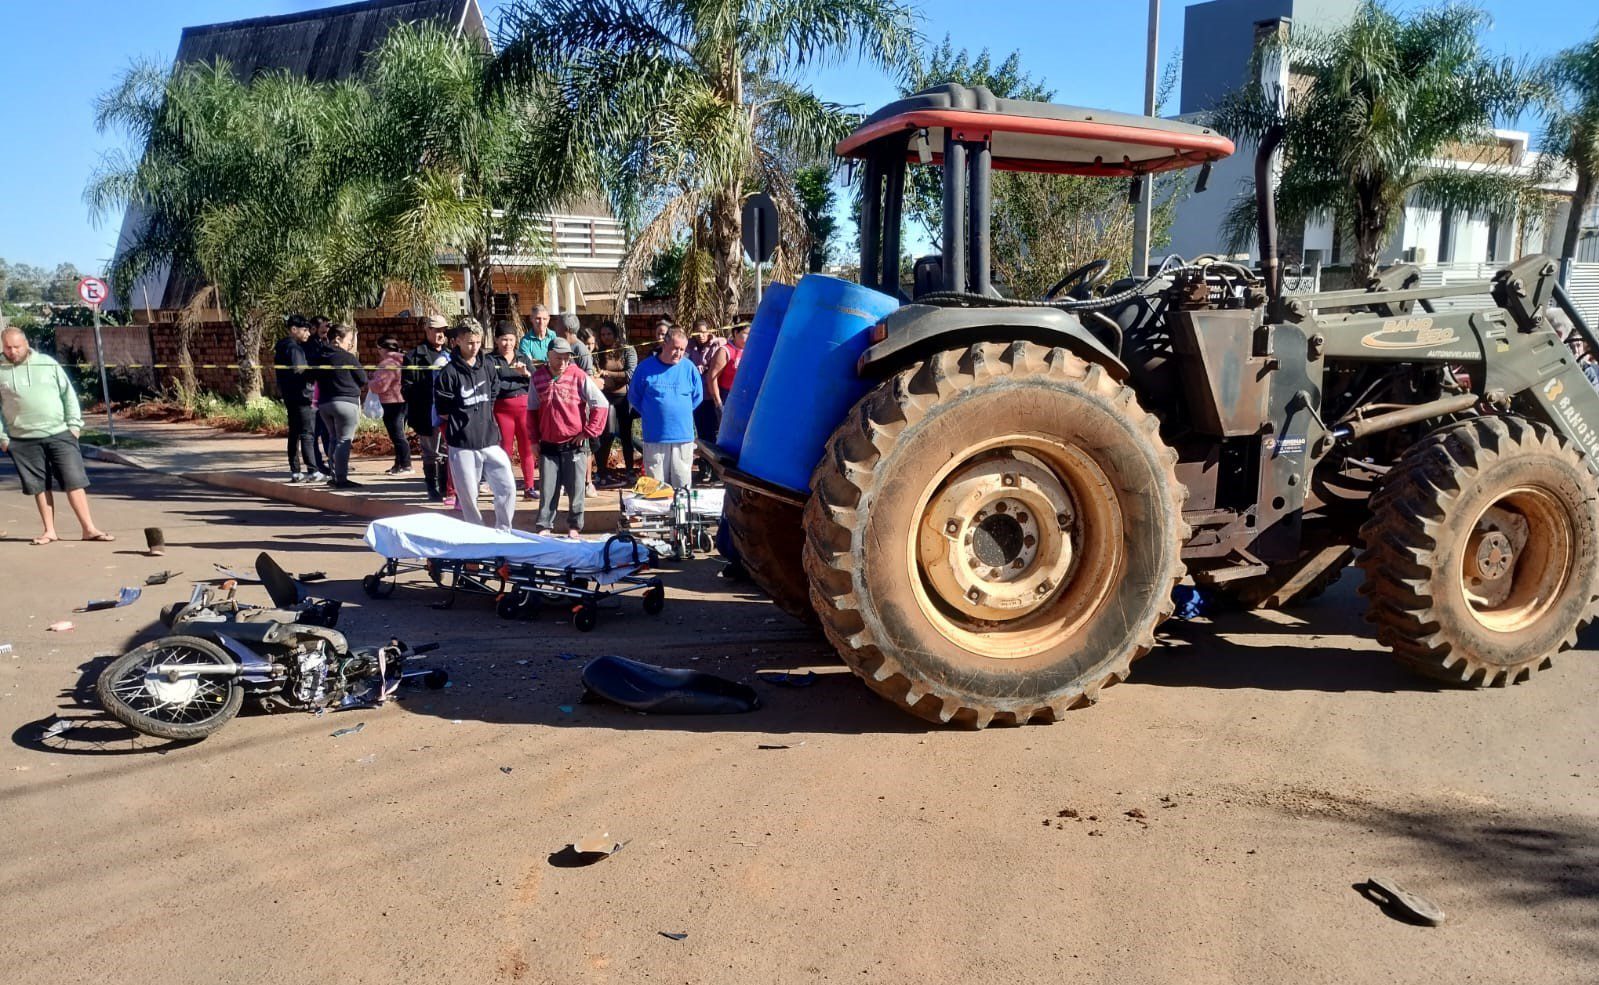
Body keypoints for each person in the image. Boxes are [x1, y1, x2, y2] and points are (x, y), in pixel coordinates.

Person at [0, 327, 112, 544]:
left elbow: (67, 393)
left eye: (16, 347)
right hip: (22, 438)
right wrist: (3, 438)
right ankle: (49, 531)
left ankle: (89, 528)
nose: (12, 351)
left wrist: (74, 425)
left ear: (26, 344)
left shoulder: (47, 363)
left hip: (59, 432)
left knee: (74, 480)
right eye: (7, 347)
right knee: (38, 485)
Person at [433, 317, 523, 529]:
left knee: (507, 486)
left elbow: (493, 393)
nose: (474, 347)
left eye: (477, 342)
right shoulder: (448, 373)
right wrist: (465, 423)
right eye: (469, 342)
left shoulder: (488, 365)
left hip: (490, 440)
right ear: (458, 342)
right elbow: (444, 411)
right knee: (469, 496)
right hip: (462, 443)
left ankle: (504, 530)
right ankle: (477, 534)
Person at [528, 337, 608, 536]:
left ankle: (574, 526)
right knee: (548, 489)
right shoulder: (537, 378)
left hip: (574, 443)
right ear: (548, 356)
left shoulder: (579, 376)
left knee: (576, 488)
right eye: (558, 357)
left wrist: (588, 432)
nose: (563, 362)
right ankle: (544, 525)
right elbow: (531, 410)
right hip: (548, 443)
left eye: (566, 358)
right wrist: (532, 440)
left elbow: (601, 403)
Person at [629, 326, 702, 489]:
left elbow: (697, 397)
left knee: (682, 486)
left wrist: (678, 412)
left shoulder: (689, 368)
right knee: (656, 486)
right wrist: (651, 413)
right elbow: (634, 396)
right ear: (664, 344)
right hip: (655, 437)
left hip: (683, 438)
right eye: (675, 348)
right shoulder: (645, 368)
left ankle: (679, 515)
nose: (679, 353)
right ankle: (660, 516)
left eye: (682, 349)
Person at [403, 315, 451, 501]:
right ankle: (431, 487)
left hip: (447, 412)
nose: (440, 334)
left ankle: (445, 486)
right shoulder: (414, 356)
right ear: (427, 330)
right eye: (436, 330)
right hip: (425, 411)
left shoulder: (449, 354)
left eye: (443, 330)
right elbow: (406, 386)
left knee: (446, 451)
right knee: (431, 452)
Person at [314, 325, 368, 489]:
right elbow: (363, 378)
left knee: (333, 439)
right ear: (337, 339)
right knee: (344, 441)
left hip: (325, 404)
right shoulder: (347, 357)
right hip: (346, 403)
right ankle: (341, 479)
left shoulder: (320, 357)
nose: (350, 345)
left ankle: (334, 475)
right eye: (349, 341)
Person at [488, 324, 538, 500]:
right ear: (496, 340)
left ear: (516, 340)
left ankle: (529, 487)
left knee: (527, 449)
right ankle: (504, 487)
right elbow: (494, 384)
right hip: (502, 409)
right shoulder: (490, 360)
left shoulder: (523, 357)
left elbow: (536, 379)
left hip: (524, 408)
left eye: (510, 339)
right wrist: (516, 383)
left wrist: (525, 374)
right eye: (503, 339)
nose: (507, 343)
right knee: (505, 450)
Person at [274, 314, 321, 483]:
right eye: (305, 330)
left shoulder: (282, 347)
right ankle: (313, 470)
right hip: (302, 396)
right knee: (307, 433)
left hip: (289, 395)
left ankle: (295, 471)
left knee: (294, 433)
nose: (308, 333)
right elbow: (300, 371)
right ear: (294, 330)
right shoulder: (294, 348)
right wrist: (316, 373)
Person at [593, 320, 638, 484]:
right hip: (605, 397)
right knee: (606, 435)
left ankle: (630, 470)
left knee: (626, 435)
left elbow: (631, 373)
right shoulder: (598, 352)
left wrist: (609, 373)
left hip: (624, 397)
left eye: (609, 334)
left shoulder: (627, 350)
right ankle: (601, 471)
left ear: (616, 334)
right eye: (603, 335)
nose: (606, 338)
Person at [370, 336, 412, 475]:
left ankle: (406, 465)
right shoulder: (404, 358)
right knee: (398, 434)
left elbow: (381, 385)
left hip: (392, 403)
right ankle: (398, 464)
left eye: (378, 349)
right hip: (404, 400)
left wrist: (370, 382)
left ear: (382, 348)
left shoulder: (387, 363)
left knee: (397, 435)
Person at [688, 318, 729, 442]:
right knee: (701, 429)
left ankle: (713, 460)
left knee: (715, 430)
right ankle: (704, 458)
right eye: (698, 332)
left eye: (704, 332)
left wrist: (705, 368)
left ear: (710, 331)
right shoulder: (688, 347)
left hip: (713, 395)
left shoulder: (718, 345)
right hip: (697, 396)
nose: (701, 335)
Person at [307, 315, 335, 475]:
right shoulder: (310, 346)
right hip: (313, 396)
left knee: (327, 431)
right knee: (315, 432)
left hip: (325, 394)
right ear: (314, 328)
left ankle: (333, 462)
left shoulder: (325, 343)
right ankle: (317, 464)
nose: (328, 330)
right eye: (325, 326)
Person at [718, 323, 749, 404]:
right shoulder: (725, 350)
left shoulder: (750, 350)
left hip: (744, 394)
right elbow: (712, 378)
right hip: (726, 394)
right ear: (735, 333)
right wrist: (718, 403)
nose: (749, 337)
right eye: (746, 334)